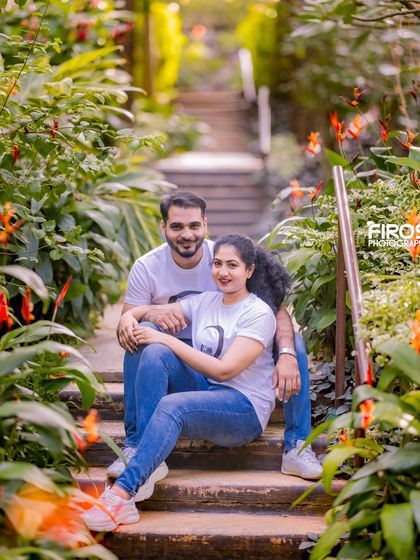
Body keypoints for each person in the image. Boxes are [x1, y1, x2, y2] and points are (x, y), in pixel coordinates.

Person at [83, 233, 291, 531]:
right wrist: (131, 317)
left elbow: (223, 371)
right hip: (207, 393)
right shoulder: (205, 302)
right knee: (154, 352)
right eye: (217, 263)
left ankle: (121, 495)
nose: (223, 271)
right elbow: (151, 312)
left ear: (249, 270)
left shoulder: (258, 313)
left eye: (232, 265)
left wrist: (166, 337)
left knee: (172, 404)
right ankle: (147, 458)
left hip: (243, 410)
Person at [109, 191, 321, 481]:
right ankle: (137, 446)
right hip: (180, 365)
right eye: (177, 226)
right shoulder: (148, 266)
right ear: (163, 228)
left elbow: (277, 312)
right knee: (142, 340)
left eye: (194, 225)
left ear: (205, 224)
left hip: (227, 359)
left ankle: (297, 445)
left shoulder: (224, 255)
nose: (187, 234)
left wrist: (284, 354)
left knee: (291, 343)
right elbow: (128, 319)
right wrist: (145, 315)